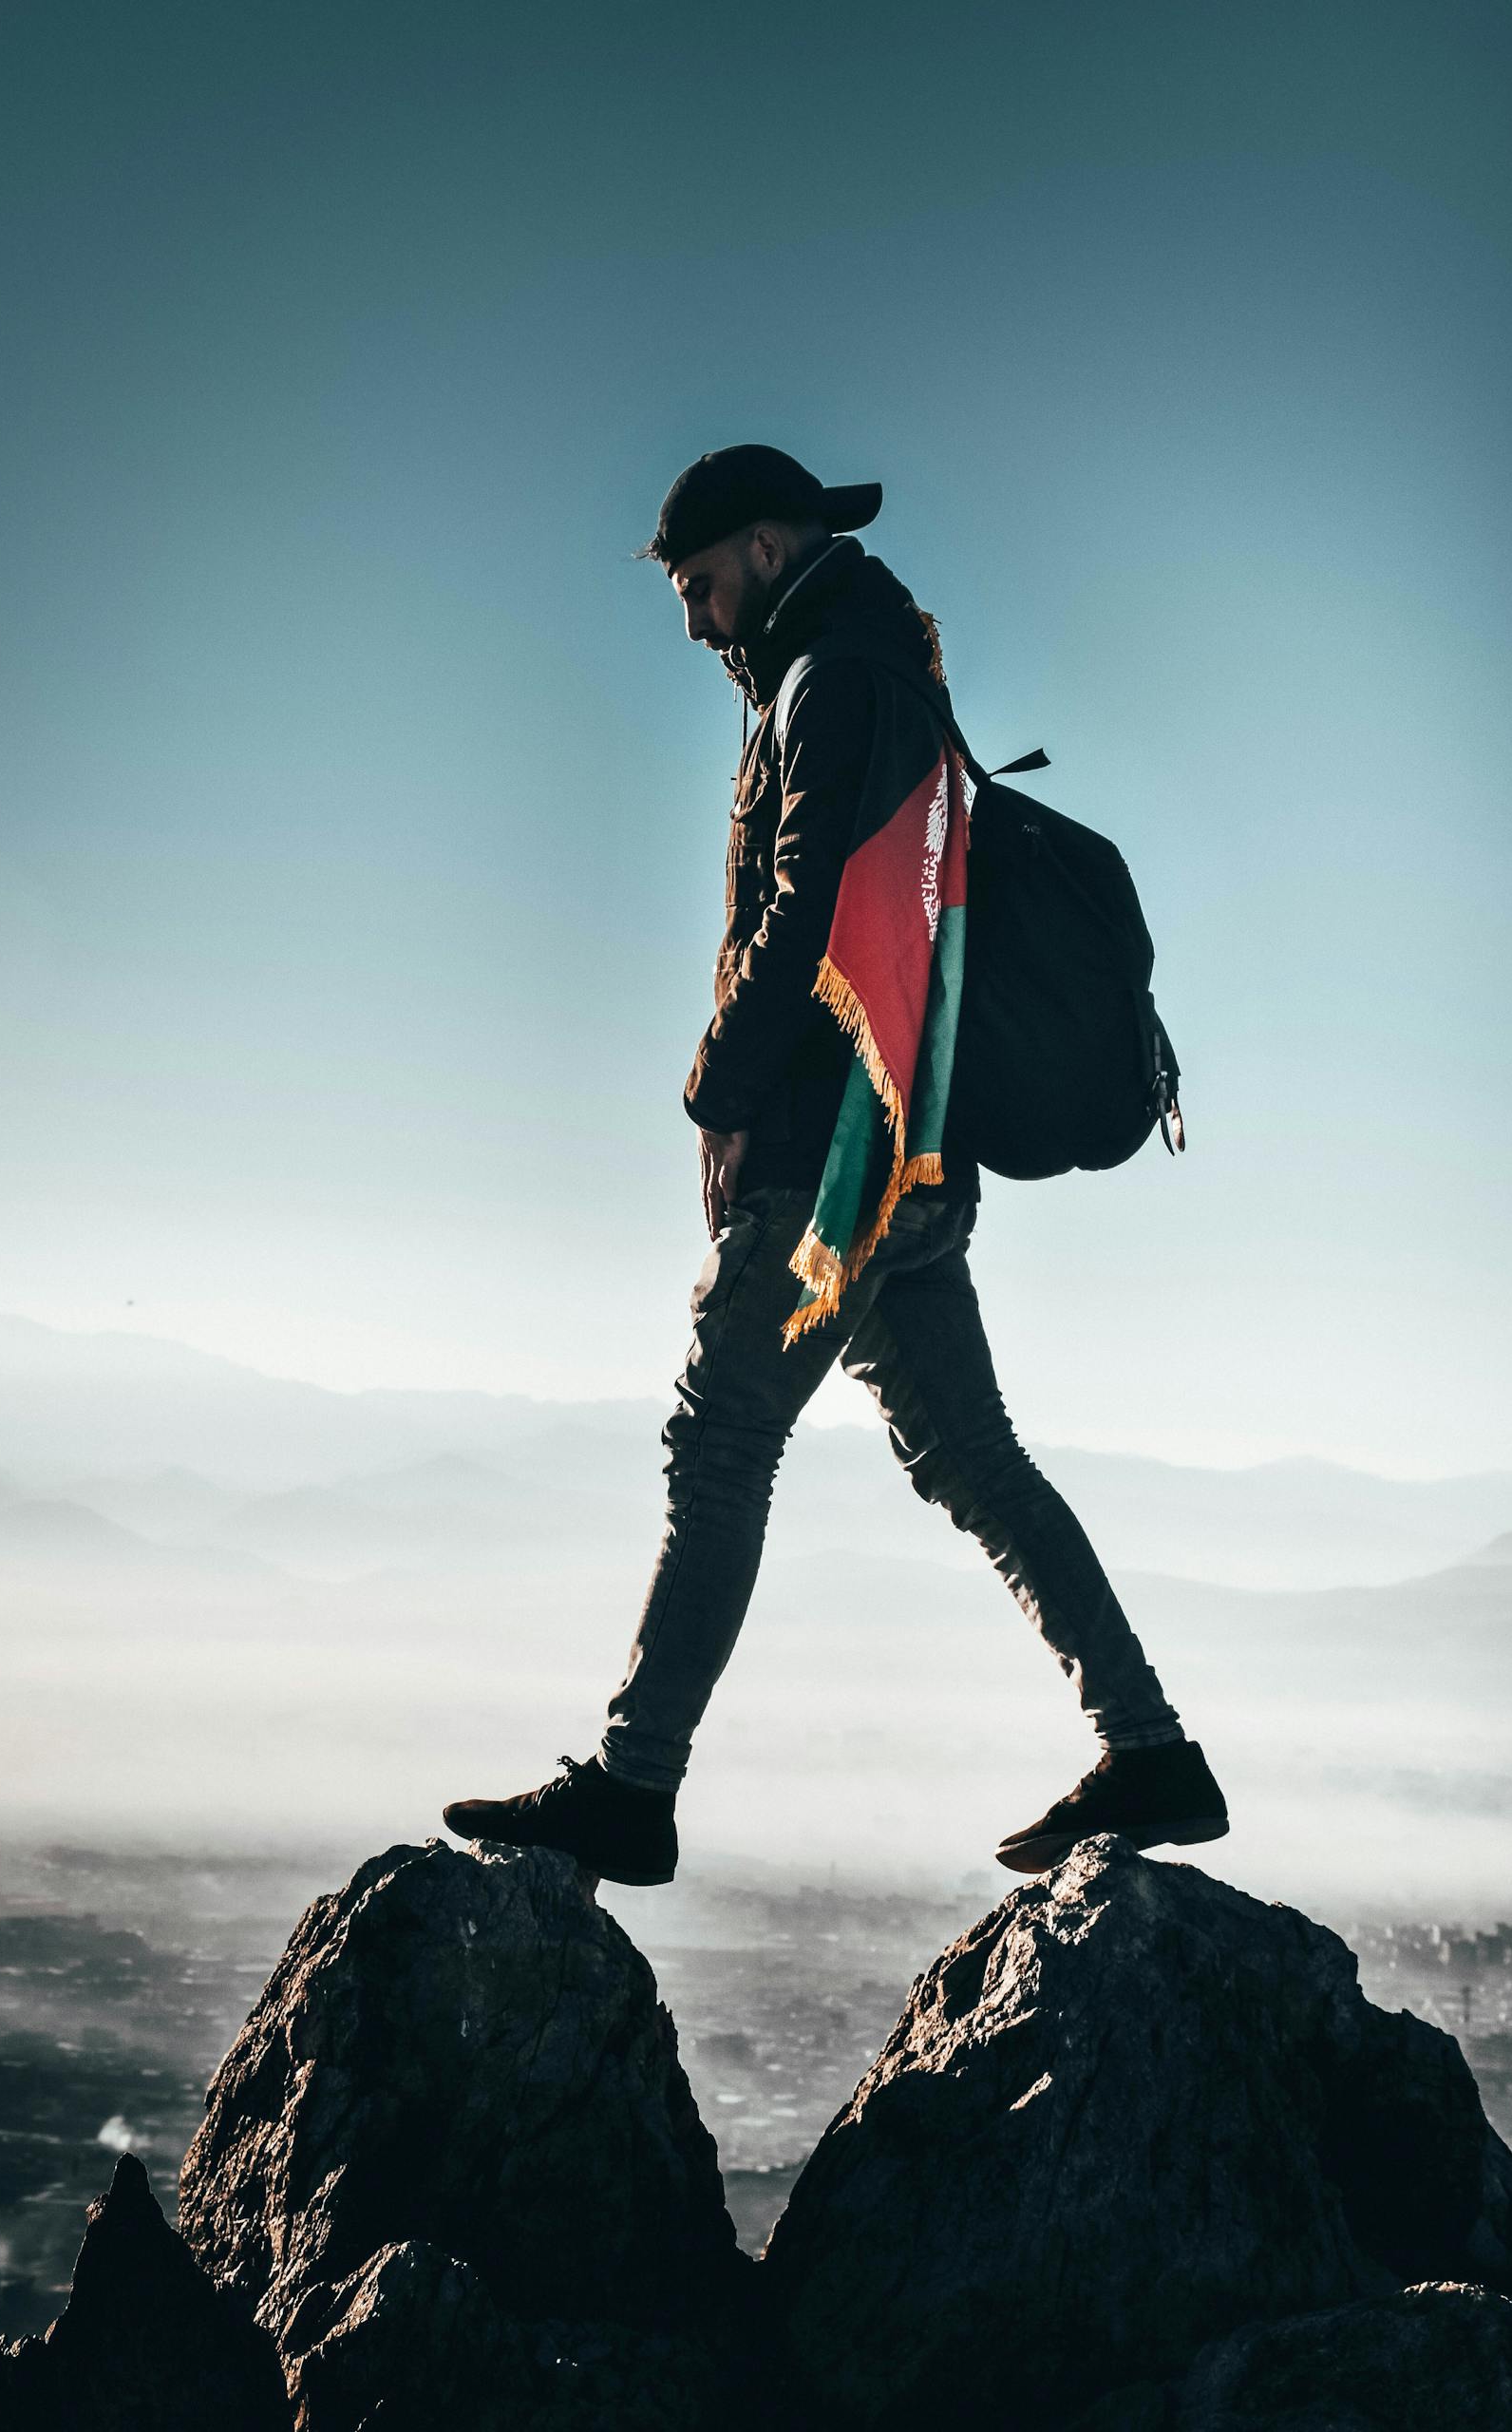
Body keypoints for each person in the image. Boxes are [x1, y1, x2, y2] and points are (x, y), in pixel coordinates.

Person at [444, 446, 1227, 1887]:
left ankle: (632, 1786)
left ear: (760, 543)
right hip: (902, 1150)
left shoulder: (837, 678)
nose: (691, 622)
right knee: (977, 1460)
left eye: (696, 585)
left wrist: (719, 1099)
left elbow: (804, 908)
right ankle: (1152, 1753)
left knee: (722, 1444)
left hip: (830, 1158)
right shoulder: (872, 661)